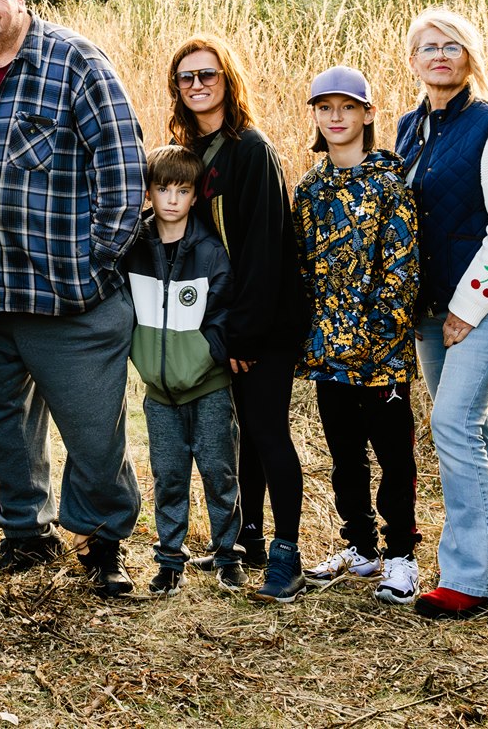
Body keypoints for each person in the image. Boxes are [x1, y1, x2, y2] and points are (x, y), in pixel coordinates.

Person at [0, 0, 143, 597]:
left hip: (70, 294)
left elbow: (123, 171)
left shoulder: (75, 63)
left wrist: (95, 264)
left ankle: (102, 540)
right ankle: (25, 533)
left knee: (92, 429)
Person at [396, 7, 488, 620]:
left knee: (452, 424)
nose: (440, 55)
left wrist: (467, 307)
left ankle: (471, 578)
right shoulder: (409, 129)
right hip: (428, 309)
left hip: (485, 305)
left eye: (452, 45)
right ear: (414, 59)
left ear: (470, 56)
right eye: (428, 46)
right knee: (471, 428)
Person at [283, 65, 423, 607]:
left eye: (347, 107)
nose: (335, 117)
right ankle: (361, 547)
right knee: (344, 455)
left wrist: (376, 335)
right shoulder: (311, 189)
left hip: (380, 355)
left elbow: (402, 269)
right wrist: (308, 338)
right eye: (325, 108)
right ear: (316, 117)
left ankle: (403, 556)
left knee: (394, 456)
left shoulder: (391, 185)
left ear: (368, 113)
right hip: (326, 352)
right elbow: (299, 267)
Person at [166, 36, 304, 576]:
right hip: (218, 324)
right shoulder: (186, 154)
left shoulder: (250, 149)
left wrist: (245, 334)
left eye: (209, 75)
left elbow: (267, 250)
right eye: (187, 78)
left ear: (228, 79)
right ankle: (247, 538)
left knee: (267, 428)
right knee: (236, 430)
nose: (198, 85)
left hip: (261, 323)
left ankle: (286, 553)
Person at [125, 144, 241, 596]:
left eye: (183, 190)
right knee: (168, 475)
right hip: (159, 393)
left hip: (208, 388)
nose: (172, 199)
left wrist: (204, 354)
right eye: (162, 188)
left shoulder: (211, 252)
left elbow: (223, 314)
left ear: (196, 196)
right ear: (149, 193)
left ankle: (228, 555)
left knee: (218, 471)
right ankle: (170, 560)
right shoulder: (135, 247)